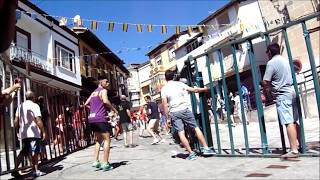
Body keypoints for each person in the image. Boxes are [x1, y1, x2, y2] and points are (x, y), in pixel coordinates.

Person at [161, 70, 215, 160]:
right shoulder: (179, 84)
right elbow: (194, 90)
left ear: (166, 78)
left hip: (174, 112)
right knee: (195, 128)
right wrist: (204, 89)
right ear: (173, 76)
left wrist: (167, 118)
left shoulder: (164, 89)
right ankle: (206, 148)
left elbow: (165, 104)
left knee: (181, 133)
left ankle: (191, 154)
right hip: (184, 109)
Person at [261, 43, 300, 158]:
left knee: (288, 122)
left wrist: (263, 84)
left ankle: (294, 150)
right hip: (292, 91)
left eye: (267, 52)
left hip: (282, 95)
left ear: (269, 52)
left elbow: (266, 81)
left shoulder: (271, 63)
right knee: (294, 120)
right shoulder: (285, 60)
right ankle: (299, 145)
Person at [83, 76, 118, 171]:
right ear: (101, 82)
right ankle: (106, 163)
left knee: (98, 140)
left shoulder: (93, 92)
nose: (108, 83)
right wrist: (114, 109)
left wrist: (94, 110)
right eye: (106, 81)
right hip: (100, 118)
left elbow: (86, 104)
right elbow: (106, 101)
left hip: (92, 118)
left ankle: (96, 161)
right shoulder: (103, 90)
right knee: (107, 140)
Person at [11, 91, 46, 177]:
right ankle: (36, 171)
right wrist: (43, 131)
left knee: (23, 152)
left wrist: (17, 131)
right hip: (33, 132)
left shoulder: (20, 106)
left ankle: (15, 169)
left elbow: (16, 121)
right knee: (35, 151)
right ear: (33, 97)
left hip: (24, 133)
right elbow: (38, 119)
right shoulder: (34, 105)